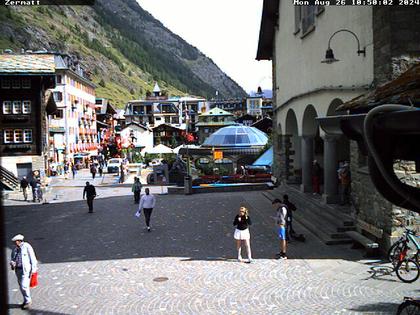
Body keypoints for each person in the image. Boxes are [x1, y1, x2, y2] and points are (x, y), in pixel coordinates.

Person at [10, 234, 38, 310]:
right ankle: (26, 300)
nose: (14, 243)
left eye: (15, 242)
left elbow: (32, 258)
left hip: (26, 270)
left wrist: (34, 270)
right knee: (21, 286)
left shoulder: (27, 247)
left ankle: (28, 301)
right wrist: (12, 263)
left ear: (19, 241)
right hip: (18, 270)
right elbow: (13, 258)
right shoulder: (15, 249)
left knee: (24, 286)